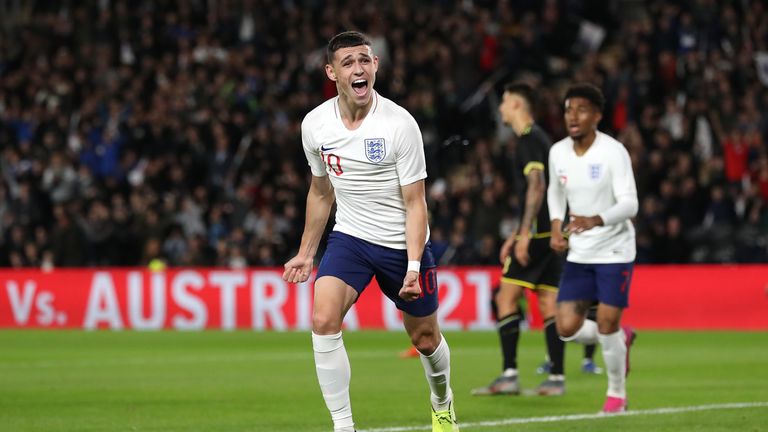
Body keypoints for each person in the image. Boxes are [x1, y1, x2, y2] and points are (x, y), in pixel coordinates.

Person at [282, 31, 459, 432]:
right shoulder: (315, 124)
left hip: (401, 246)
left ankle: (442, 401)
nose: (358, 68)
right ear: (332, 72)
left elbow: (416, 203)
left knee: (426, 340)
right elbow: (321, 190)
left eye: (364, 60)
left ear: (375, 65)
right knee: (323, 319)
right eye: (348, 63)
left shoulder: (400, 125)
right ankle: (344, 426)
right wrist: (307, 252)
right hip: (351, 240)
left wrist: (414, 265)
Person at [547, 83, 638, 413]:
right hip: (581, 251)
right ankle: (620, 338)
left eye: (581, 110)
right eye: (569, 109)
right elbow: (555, 192)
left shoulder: (613, 152)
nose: (573, 116)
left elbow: (630, 204)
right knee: (566, 328)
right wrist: (557, 226)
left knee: (606, 323)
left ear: (597, 116)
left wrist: (595, 220)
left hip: (615, 249)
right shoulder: (558, 152)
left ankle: (617, 394)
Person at [470, 82, 566, 397]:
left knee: (505, 298)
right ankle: (556, 377)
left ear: (518, 106)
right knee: (548, 301)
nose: (500, 108)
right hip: (551, 232)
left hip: (537, 235)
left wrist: (523, 235)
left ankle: (510, 374)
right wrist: (515, 233)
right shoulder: (541, 139)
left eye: (505, 102)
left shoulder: (527, 141)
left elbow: (536, 186)